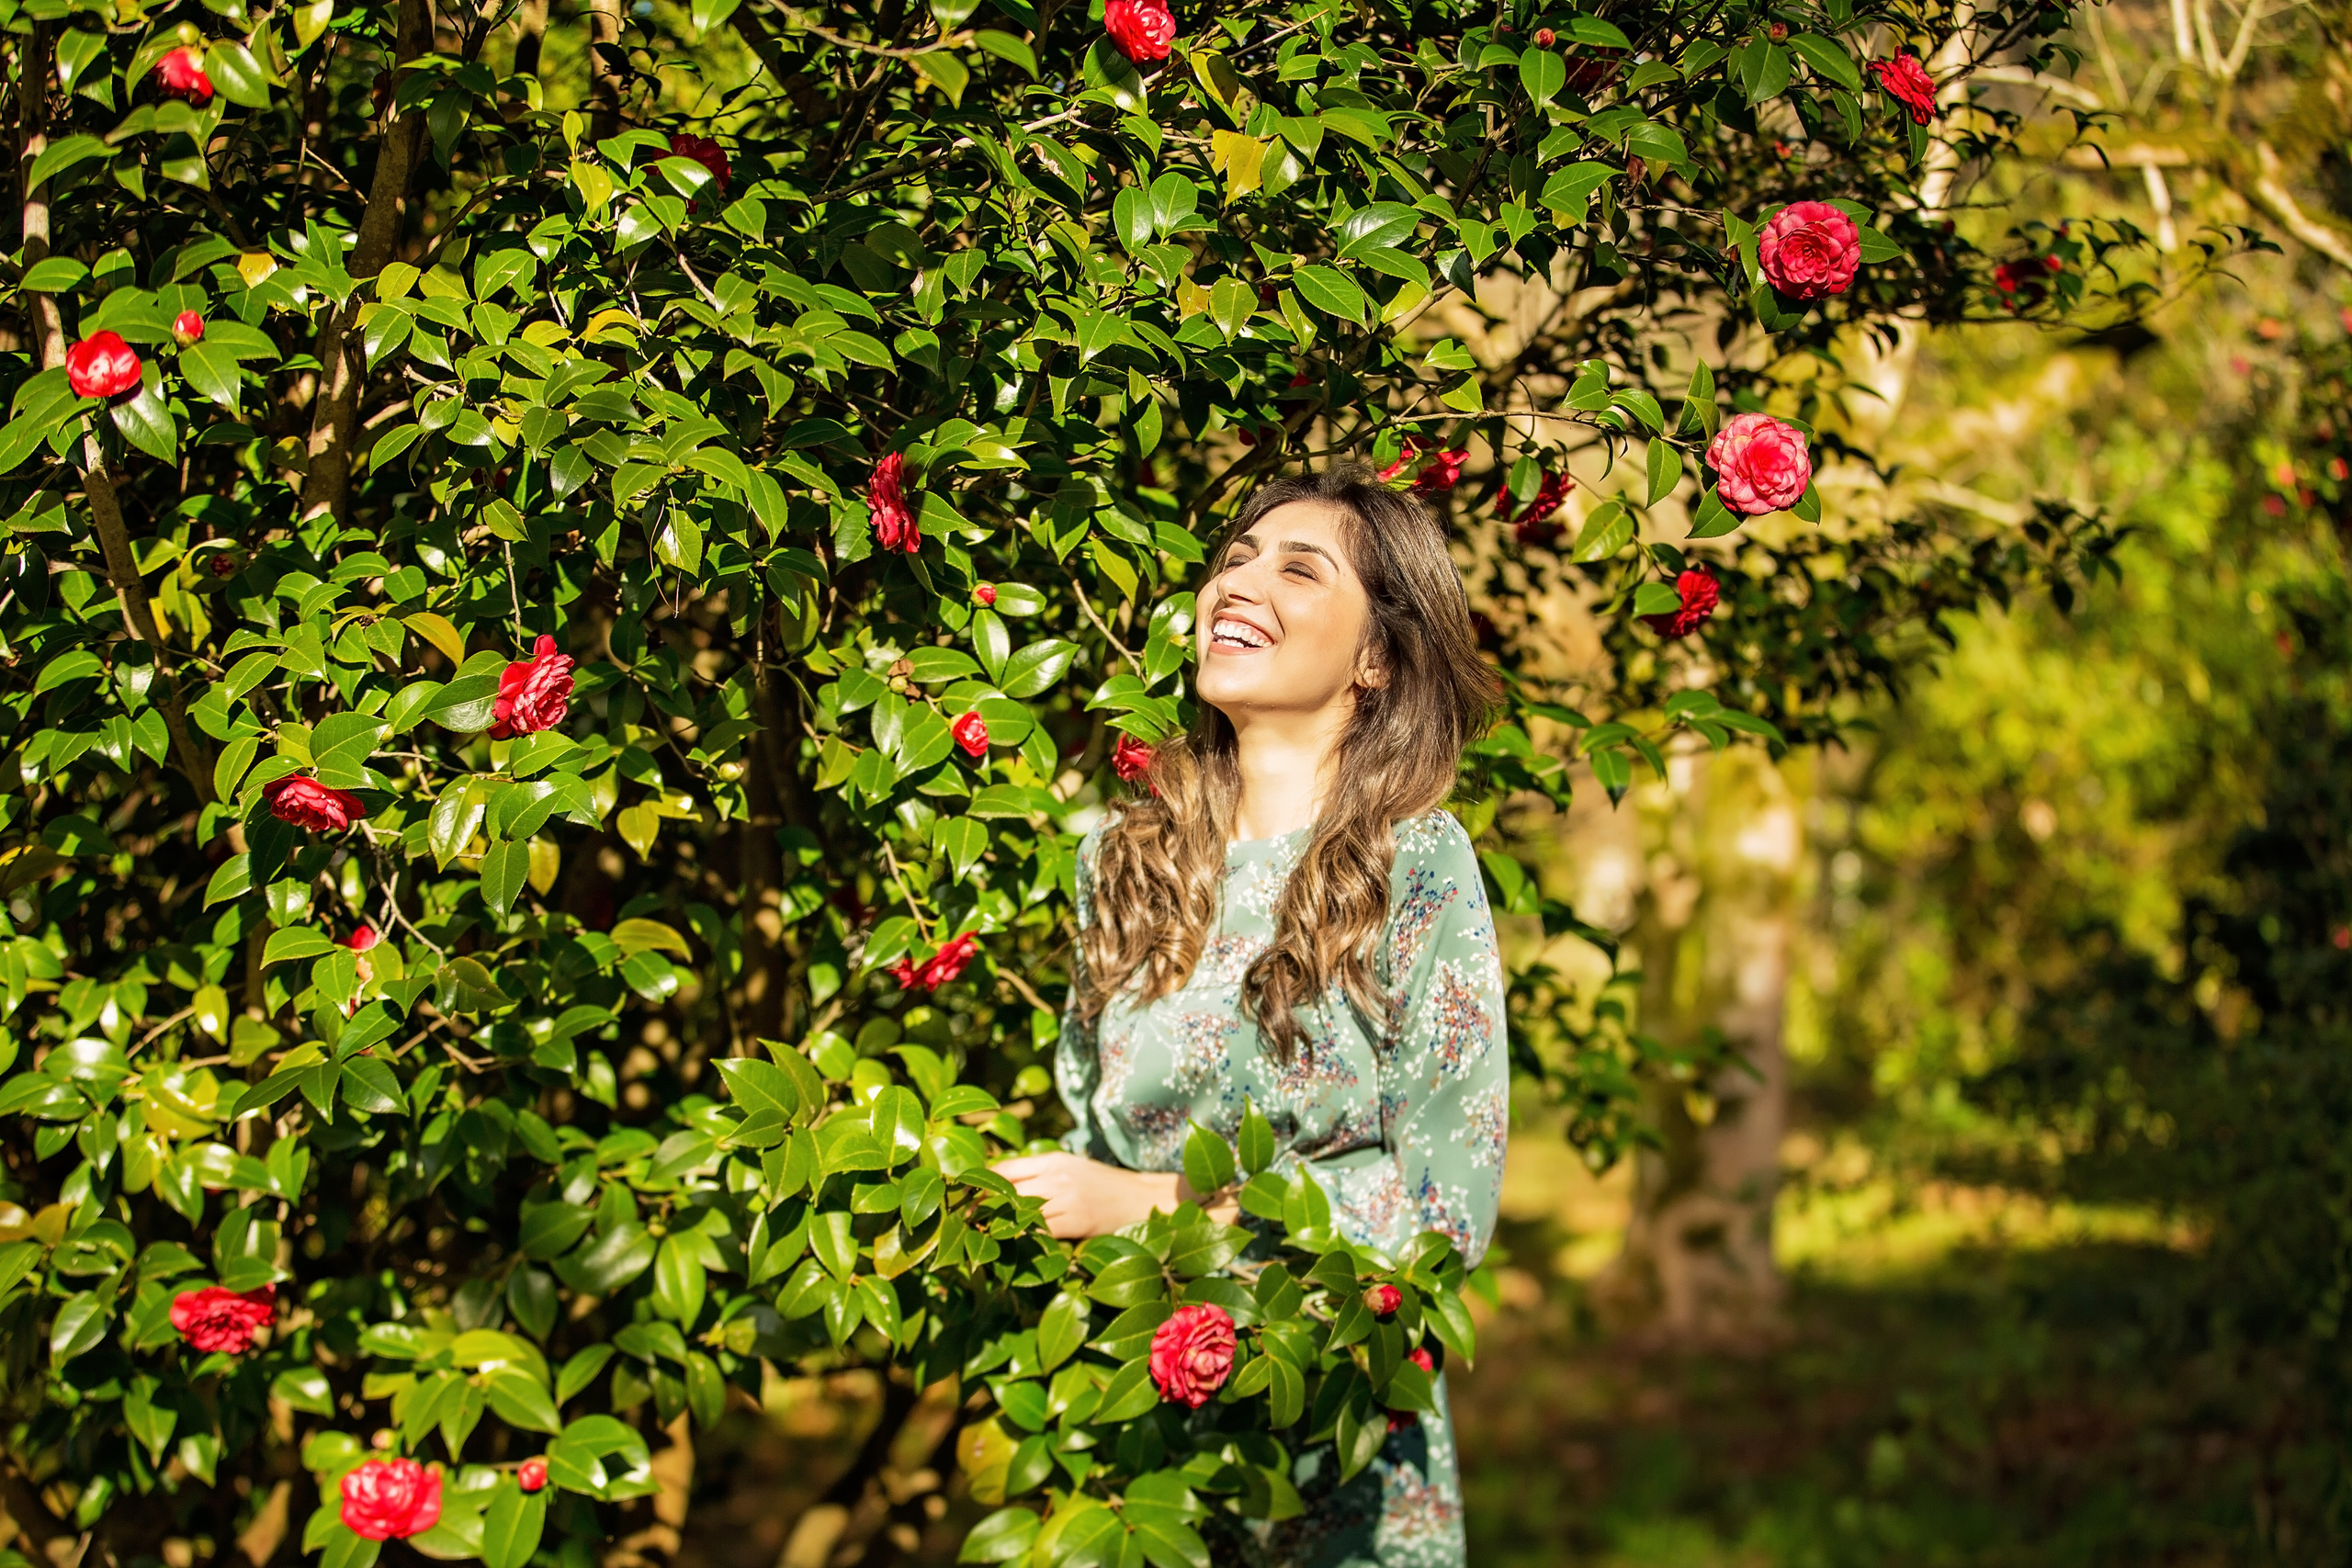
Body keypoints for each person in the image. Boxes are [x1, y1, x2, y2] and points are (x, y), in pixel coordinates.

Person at [995, 463, 1510, 1566]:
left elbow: (1441, 1214)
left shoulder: (1413, 866)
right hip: (1137, 1451)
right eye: (1233, 559)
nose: (1240, 581)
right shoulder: (1119, 862)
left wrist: (1145, 1207)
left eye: (1298, 567)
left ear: (1376, 657)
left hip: (1343, 1450)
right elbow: (1089, 1139)